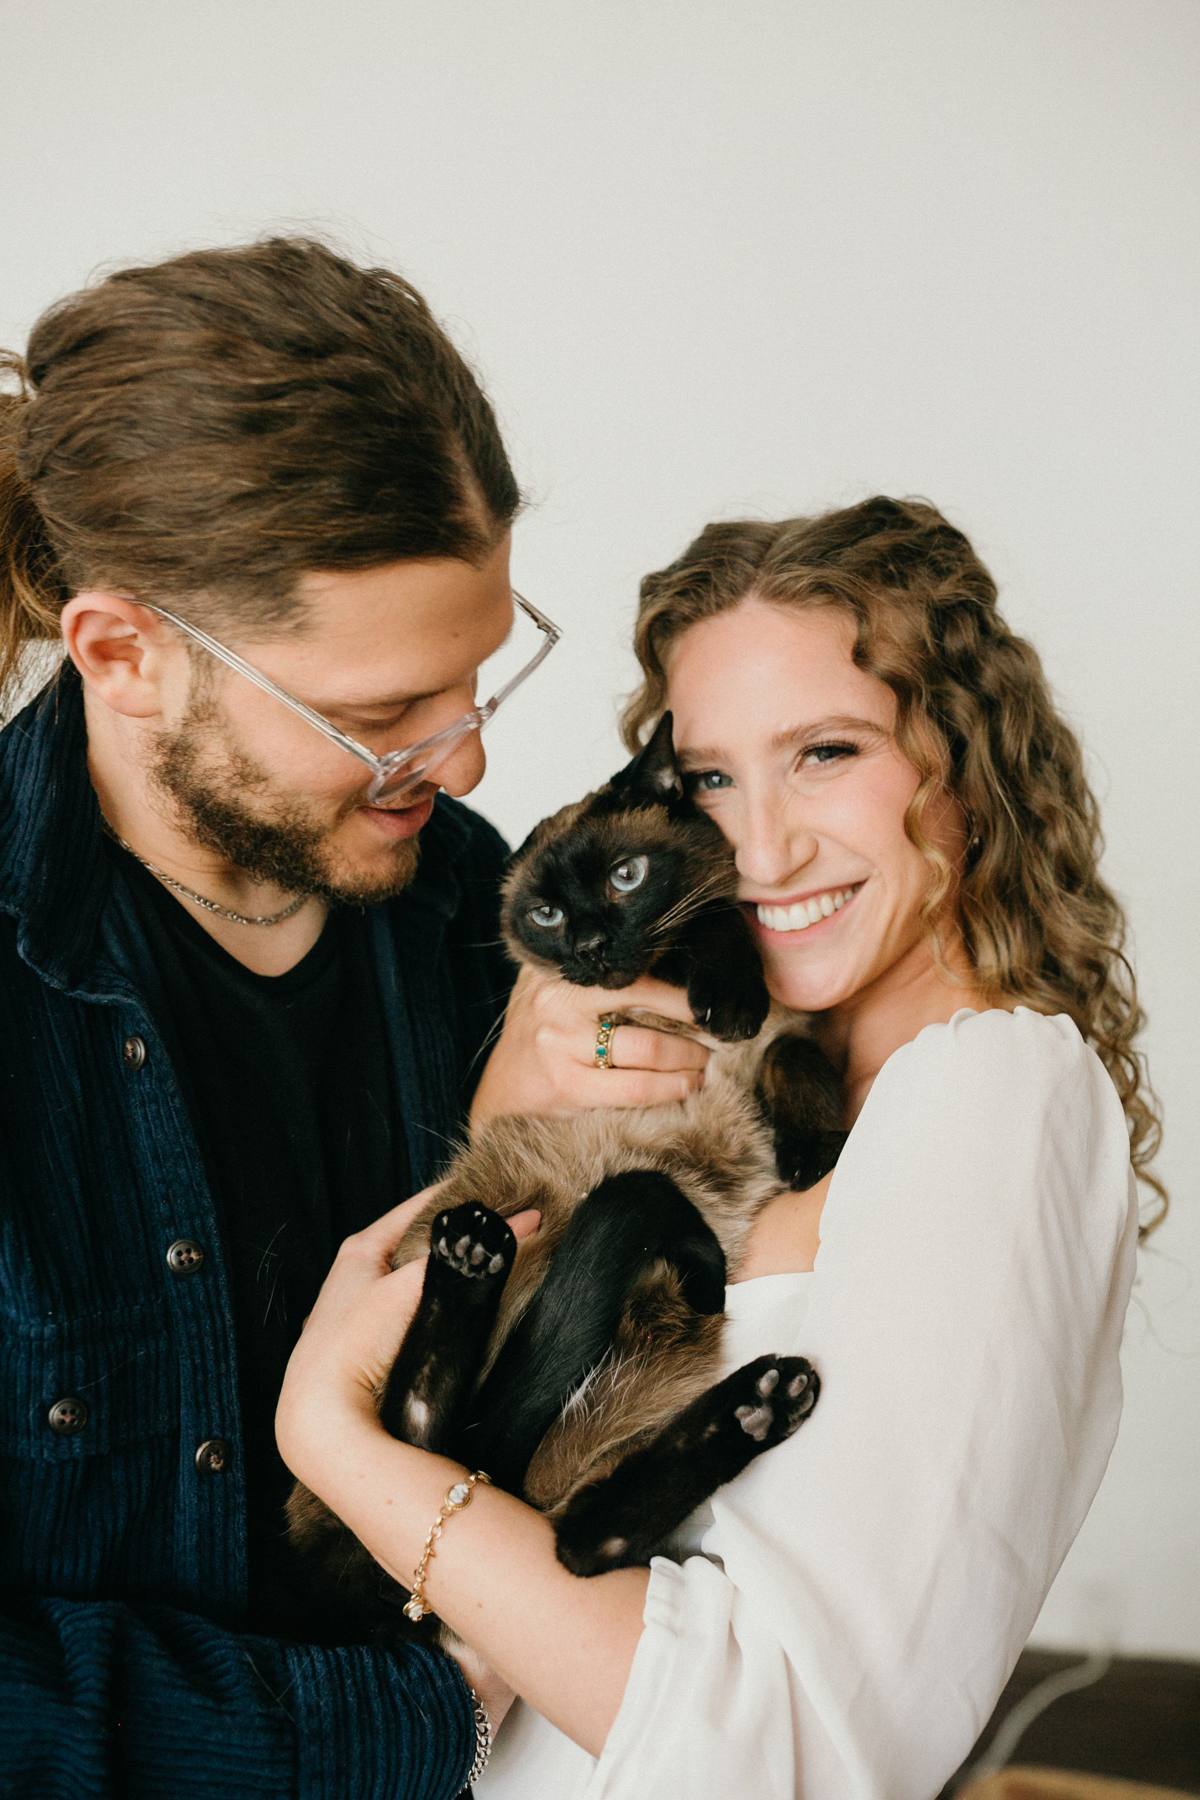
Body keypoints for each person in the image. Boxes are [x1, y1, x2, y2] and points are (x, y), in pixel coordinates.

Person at [276, 496, 1160, 1799]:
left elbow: (785, 1750)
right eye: (709, 776)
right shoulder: (768, 1074)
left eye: (828, 753)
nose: (760, 844)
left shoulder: (991, 1092)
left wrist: (339, 1445)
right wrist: (513, 1111)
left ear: (964, 757)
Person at [0, 236, 563, 1797]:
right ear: (125, 654)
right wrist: (404, 1721)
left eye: (477, 685)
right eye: (382, 717)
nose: (464, 767)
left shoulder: (474, 908)